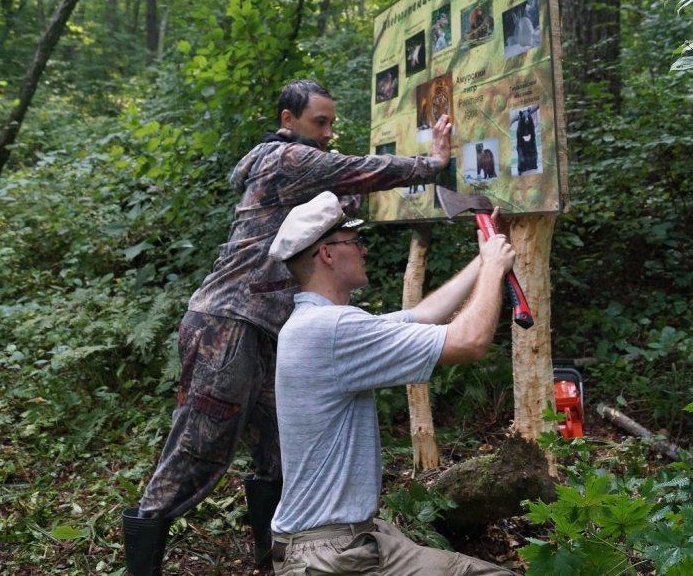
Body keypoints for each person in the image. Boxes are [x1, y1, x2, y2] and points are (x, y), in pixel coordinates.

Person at [121, 80, 453, 576]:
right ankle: (142, 559)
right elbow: (356, 171)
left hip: (272, 330)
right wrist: (431, 164)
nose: (327, 133)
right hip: (227, 325)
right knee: (200, 451)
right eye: (319, 122)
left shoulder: (303, 182)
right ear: (287, 119)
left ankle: (272, 562)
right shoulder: (283, 159)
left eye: (331, 123)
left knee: (279, 453)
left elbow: (345, 202)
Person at [266, 191, 516, 575]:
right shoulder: (332, 329)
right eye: (354, 242)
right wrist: (495, 271)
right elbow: (470, 341)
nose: (364, 250)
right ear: (328, 255)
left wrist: (484, 258)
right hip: (328, 556)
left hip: (345, 538)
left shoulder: (318, 323)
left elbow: (425, 314)